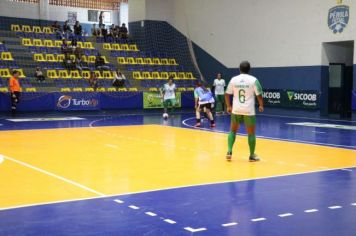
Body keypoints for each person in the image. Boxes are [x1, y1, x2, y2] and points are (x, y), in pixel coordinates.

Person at [225, 61, 264, 162]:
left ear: (240, 69)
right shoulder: (254, 80)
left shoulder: (234, 79)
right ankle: (251, 155)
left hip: (236, 109)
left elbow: (227, 93)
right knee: (251, 133)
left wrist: (228, 106)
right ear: (249, 69)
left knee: (233, 131)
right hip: (248, 110)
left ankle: (229, 151)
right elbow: (259, 94)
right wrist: (261, 105)